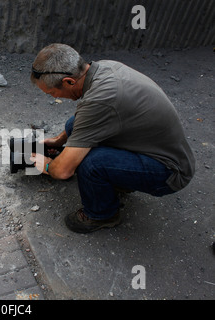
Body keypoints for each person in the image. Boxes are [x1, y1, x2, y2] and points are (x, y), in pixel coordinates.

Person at [29, 43, 195, 233]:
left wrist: (48, 165)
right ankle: (117, 180)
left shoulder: (102, 99)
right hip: (153, 146)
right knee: (72, 125)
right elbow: (87, 118)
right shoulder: (103, 68)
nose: (53, 97)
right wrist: (59, 140)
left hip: (169, 171)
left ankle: (102, 215)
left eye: (52, 93)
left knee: (91, 164)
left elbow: (63, 172)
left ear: (68, 81)